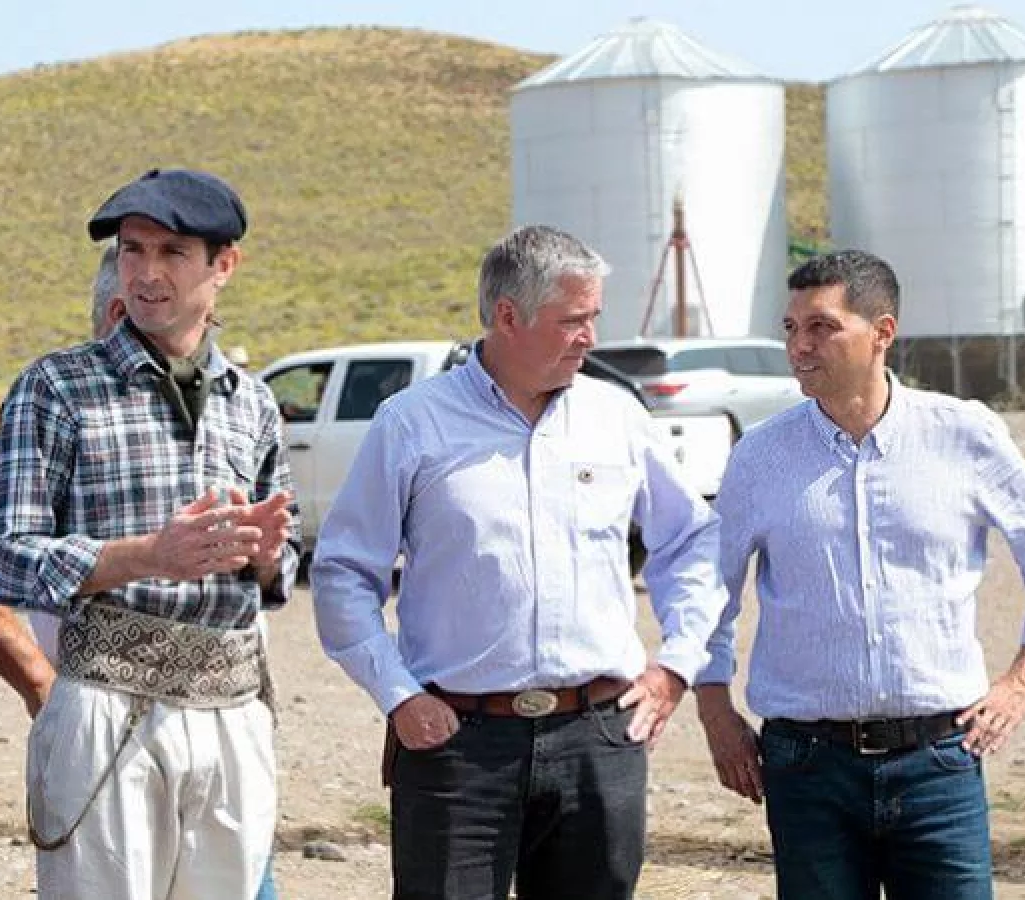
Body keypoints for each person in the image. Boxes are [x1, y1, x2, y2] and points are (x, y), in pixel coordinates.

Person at [311, 224, 728, 900]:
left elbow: (691, 540)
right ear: (508, 316)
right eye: (573, 320)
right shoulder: (412, 423)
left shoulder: (616, 417)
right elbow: (343, 574)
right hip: (456, 746)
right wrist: (398, 694)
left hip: (599, 738)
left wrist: (676, 667)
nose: (590, 337)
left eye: (593, 316)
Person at [694, 249, 1025, 899]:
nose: (799, 346)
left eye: (822, 327)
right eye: (791, 328)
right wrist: (715, 711)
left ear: (882, 332)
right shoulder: (760, 456)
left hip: (938, 764)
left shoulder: (962, 435)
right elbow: (706, 589)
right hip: (806, 769)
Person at [0, 168, 300, 899]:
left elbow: (281, 566)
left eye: (172, 252)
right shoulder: (56, 387)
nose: (147, 273)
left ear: (224, 265)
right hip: (107, 705)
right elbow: (2, 559)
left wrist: (264, 557)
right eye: (133, 250)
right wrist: (148, 556)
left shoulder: (253, 403)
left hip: (232, 709)